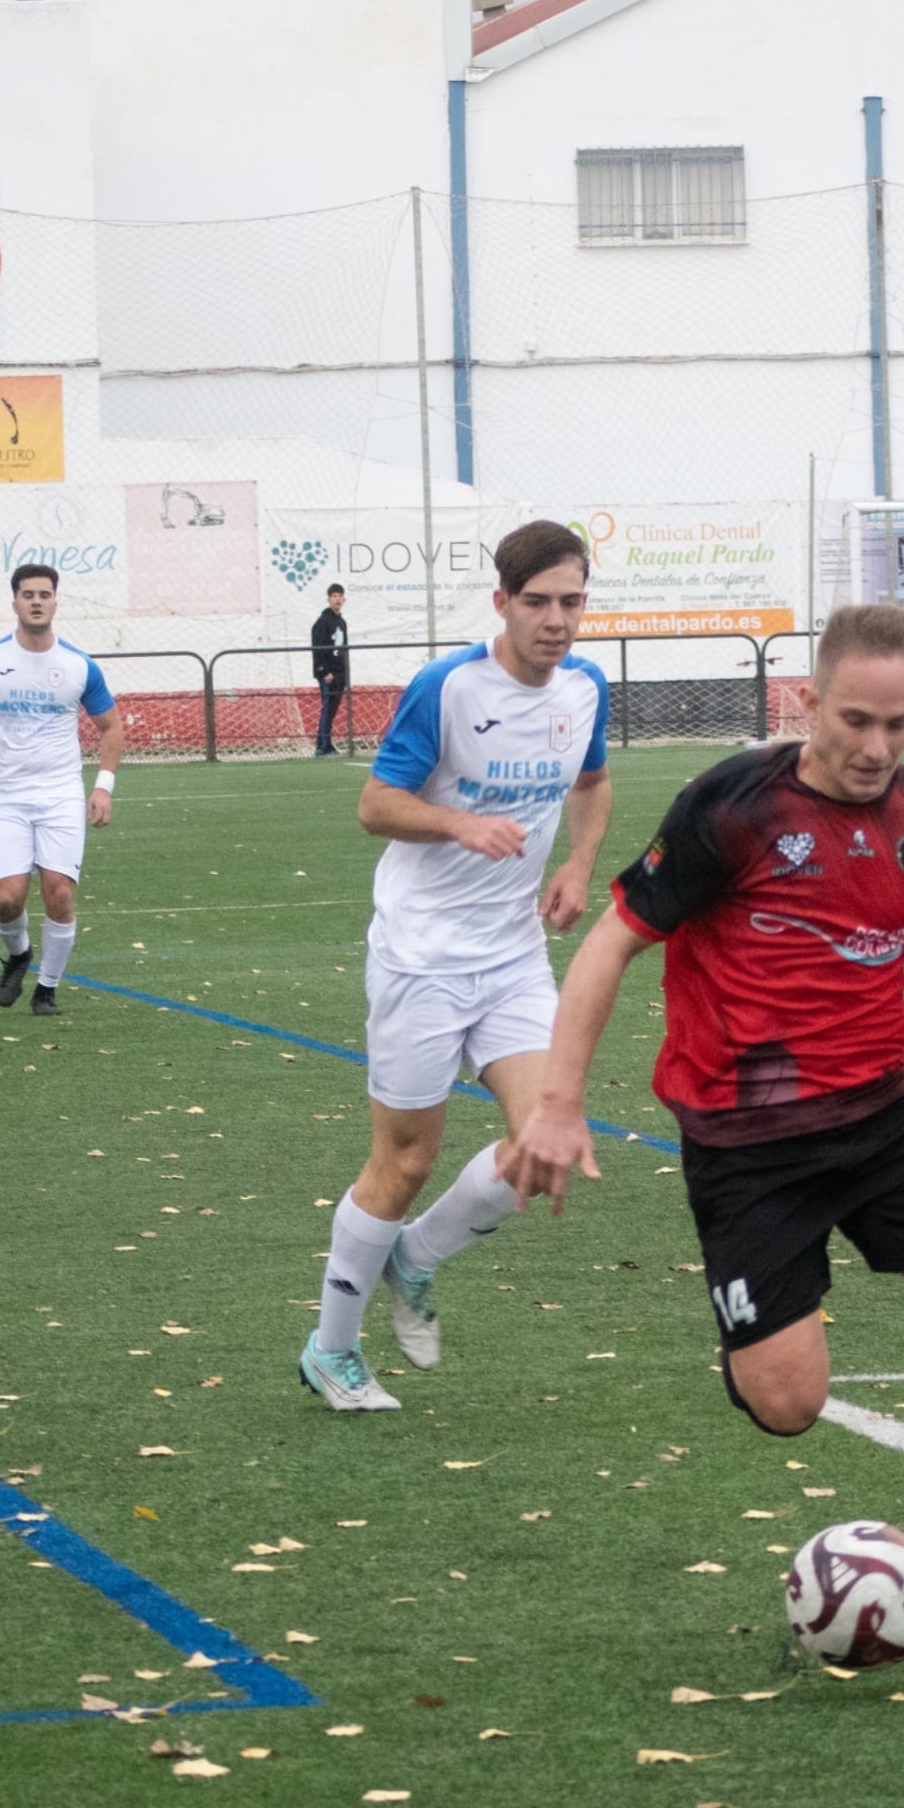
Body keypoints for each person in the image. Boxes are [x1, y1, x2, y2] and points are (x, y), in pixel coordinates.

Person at [510, 600, 904, 1629]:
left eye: (898, 724)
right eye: (855, 721)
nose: (876, 746)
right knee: (787, 1405)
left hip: (883, 1119)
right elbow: (609, 945)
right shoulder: (732, 808)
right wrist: (558, 1103)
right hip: (746, 1149)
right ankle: (747, 1331)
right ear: (808, 702)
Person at [296, 519, 613, 1413]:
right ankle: (332, 1348)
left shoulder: (586, 687)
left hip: (513, 956)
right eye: (539, 602)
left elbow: (590, 783)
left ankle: (417, 1256)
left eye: (572, 601)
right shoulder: (447, 686)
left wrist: (578, 864)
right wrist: (460, 823)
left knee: (546, 1146)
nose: (557, 620)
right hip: (420, 956)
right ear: (503, 603)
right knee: (404, 1163)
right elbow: (375, 803)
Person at [0, 562, 124, 1021]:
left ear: (55, 601)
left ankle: (47, 989)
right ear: (15, 603)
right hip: (6, 795)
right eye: (28, 594)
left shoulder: (78, 665)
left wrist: (102, 788)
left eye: (45, 594)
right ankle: (19, 955)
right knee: (8, 900)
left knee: (59, 893)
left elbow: (111, 727)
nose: (37, 601)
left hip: (61, 793)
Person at [310, 583, 351, 757]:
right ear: (328, 599)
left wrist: (344, 674)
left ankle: (326, 743)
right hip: (328, 674)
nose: (337, 599)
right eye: (334, 596)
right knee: (327, 708)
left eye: (340, 596)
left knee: (333, 709)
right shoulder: (322, 622)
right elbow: (318, 648)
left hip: (339, 673)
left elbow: (343, 649)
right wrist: (323, 671)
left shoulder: (341, 622)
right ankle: (323, 746)